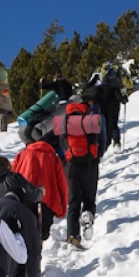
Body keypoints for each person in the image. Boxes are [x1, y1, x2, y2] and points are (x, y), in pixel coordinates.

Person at [56, 85, 106, 248]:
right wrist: (98, 154)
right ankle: (88, 214)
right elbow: (102, 139)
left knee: (73, 201)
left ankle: (72, 236)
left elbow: (61, 142)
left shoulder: (65, 119)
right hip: (90, 163)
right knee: (89, 198)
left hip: (71, 164)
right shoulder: (93, 117)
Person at [12, 131, 69, 239]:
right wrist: (62, 208)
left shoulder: (22, 155)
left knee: (24, 233)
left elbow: (12, 176)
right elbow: (63, 184)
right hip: (47, 202)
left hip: (25, 199)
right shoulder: (53, 157)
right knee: (42, 234)